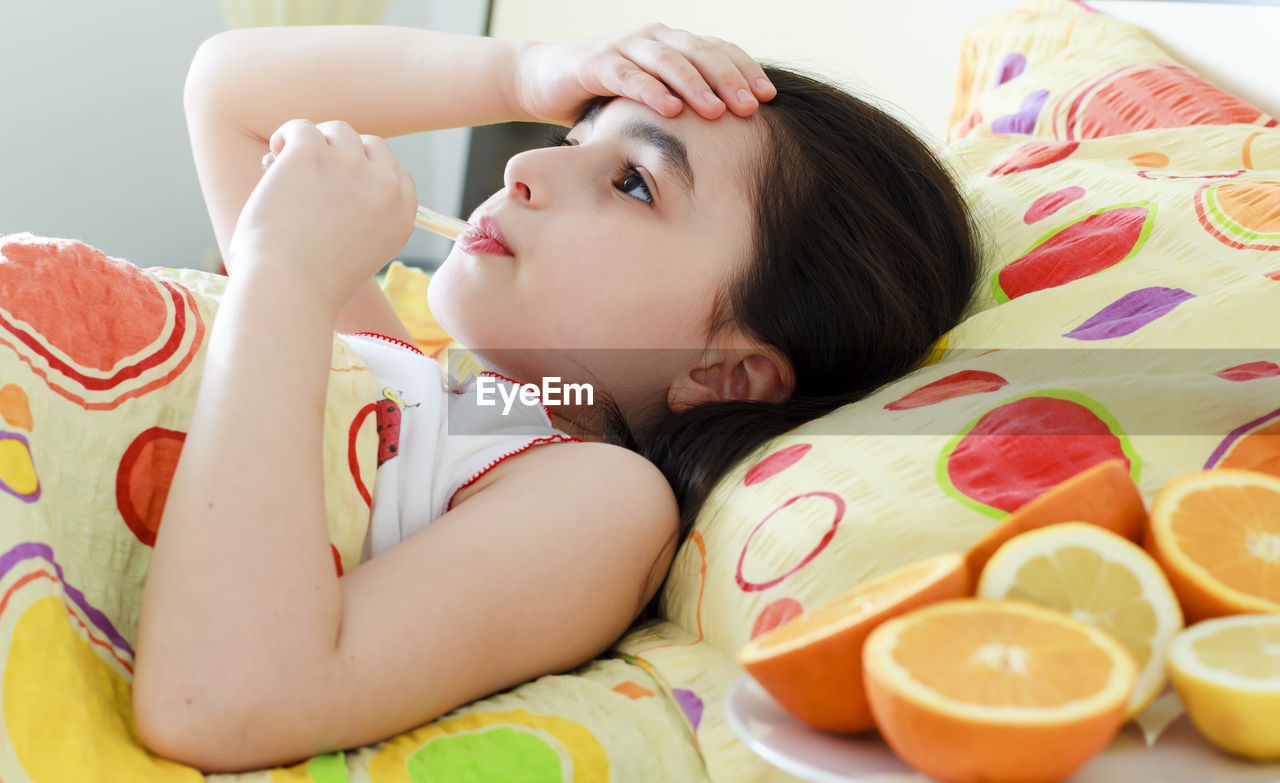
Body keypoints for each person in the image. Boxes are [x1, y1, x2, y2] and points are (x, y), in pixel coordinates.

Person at [131, 22, 979, 772]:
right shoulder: (417, 381)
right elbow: (228, 90)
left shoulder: (601, 497)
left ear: (722, 376)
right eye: (572, 137)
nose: (525, 166)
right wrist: (524, 74)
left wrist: (283, 273)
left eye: (634, 183)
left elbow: (225, 696)